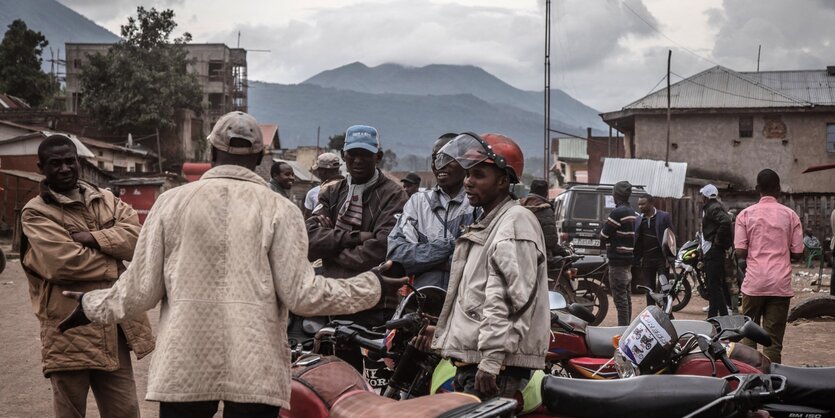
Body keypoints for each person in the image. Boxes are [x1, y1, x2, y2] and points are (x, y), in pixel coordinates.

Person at [57, 111, 404, 418]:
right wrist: (370, 285)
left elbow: (140, 290)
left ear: (210, 153)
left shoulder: (170, 203)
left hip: (185, 362)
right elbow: (303, 295)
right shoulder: (279, 210)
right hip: (256, 365)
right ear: (260, 157)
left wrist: (91, 306)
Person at [21, 134, 154, 418]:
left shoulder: (106, 199)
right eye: (55, 163)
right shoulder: (35, 213)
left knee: (126, 413)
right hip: (68, 331)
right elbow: (63, 265)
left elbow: (140, 240)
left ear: (79, 162)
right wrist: (115, 261)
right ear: (40, 167)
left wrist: (91, 238)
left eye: (70, 161)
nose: (65, 168)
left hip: (112, 326)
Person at [429, 132, 549, 401]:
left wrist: (491, 362)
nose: (468, 182)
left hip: (495, 369)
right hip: (477, 363)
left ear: (504, 180)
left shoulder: (514, 223)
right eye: (468, 174)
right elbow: (477, 297)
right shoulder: (491, 222)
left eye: (479, 175)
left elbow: (507, 300)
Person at [306, 124, 408, 386]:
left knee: (375, 384)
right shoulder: (331, 193)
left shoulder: (394, 195)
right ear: (343, 155)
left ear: (378, 156)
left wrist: (332, 252)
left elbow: (378, 251)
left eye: (365, 154)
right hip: (333, 300)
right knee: (338, 382)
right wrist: (356, 237)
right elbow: (309, 242)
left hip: (374, 304)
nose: (358, 160)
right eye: (352, 154)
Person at [387, 133, 476, 290]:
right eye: (435, 158)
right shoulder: (418, 203)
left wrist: (424, 260)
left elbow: (478, 261)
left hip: (464, 308)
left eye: (448, 157)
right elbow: (396, 256)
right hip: (421, 305)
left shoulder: (477, 204)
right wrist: (450, 247)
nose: (439, 165)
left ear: (465, 161)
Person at [734, 169, 803, 363]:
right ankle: (773, 384)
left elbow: (739, 251)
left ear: (757, 189)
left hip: (754, 283)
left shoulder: (745, 215)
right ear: (779, 189)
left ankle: (748, 380)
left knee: (748, 335)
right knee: (773, 343)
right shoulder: (790, 216)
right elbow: (797, 252)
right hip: (779, 285)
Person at [600, 181, 638, 326]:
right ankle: (626, 328)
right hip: (627, 261)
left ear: (617, 195)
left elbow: (603, 235)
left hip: (617, 262)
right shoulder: (631, 211)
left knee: (620, 300)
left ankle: (622, 332)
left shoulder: (618, 212)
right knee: (626, 298)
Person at [633, 194, 674, 308]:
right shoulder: (639, 220)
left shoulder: (663, 216)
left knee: (664, 286)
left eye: (643, 204)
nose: (640, 207)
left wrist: (669, 258)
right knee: (649, 287)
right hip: (646, 259)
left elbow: (671, 237)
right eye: (639, 204)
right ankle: (650, 312)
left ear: (651, 203)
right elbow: (637, 240)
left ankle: (667, 312)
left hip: (661, 258)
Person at [700, 184, 733, 317]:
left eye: (702, 195)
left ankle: (724, 316)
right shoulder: (712, 207)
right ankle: (712, 317)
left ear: (706, 196)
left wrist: (717, 240)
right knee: (713, 286)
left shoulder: (713, 207)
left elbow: (726, 221)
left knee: (715, 286)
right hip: (712, 251)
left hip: (714, 252)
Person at [520, 179, 567, 264]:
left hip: (519, 256)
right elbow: (550, 241)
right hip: (540, 259)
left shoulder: (518, 207)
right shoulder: (545, 211)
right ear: (545, 193)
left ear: (531, 190)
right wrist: (563, 252)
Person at [303, 152, 343, 219]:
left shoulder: (313, 193)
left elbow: (307, 219)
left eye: (318, 170)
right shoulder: (348, 188)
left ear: (322, 171)